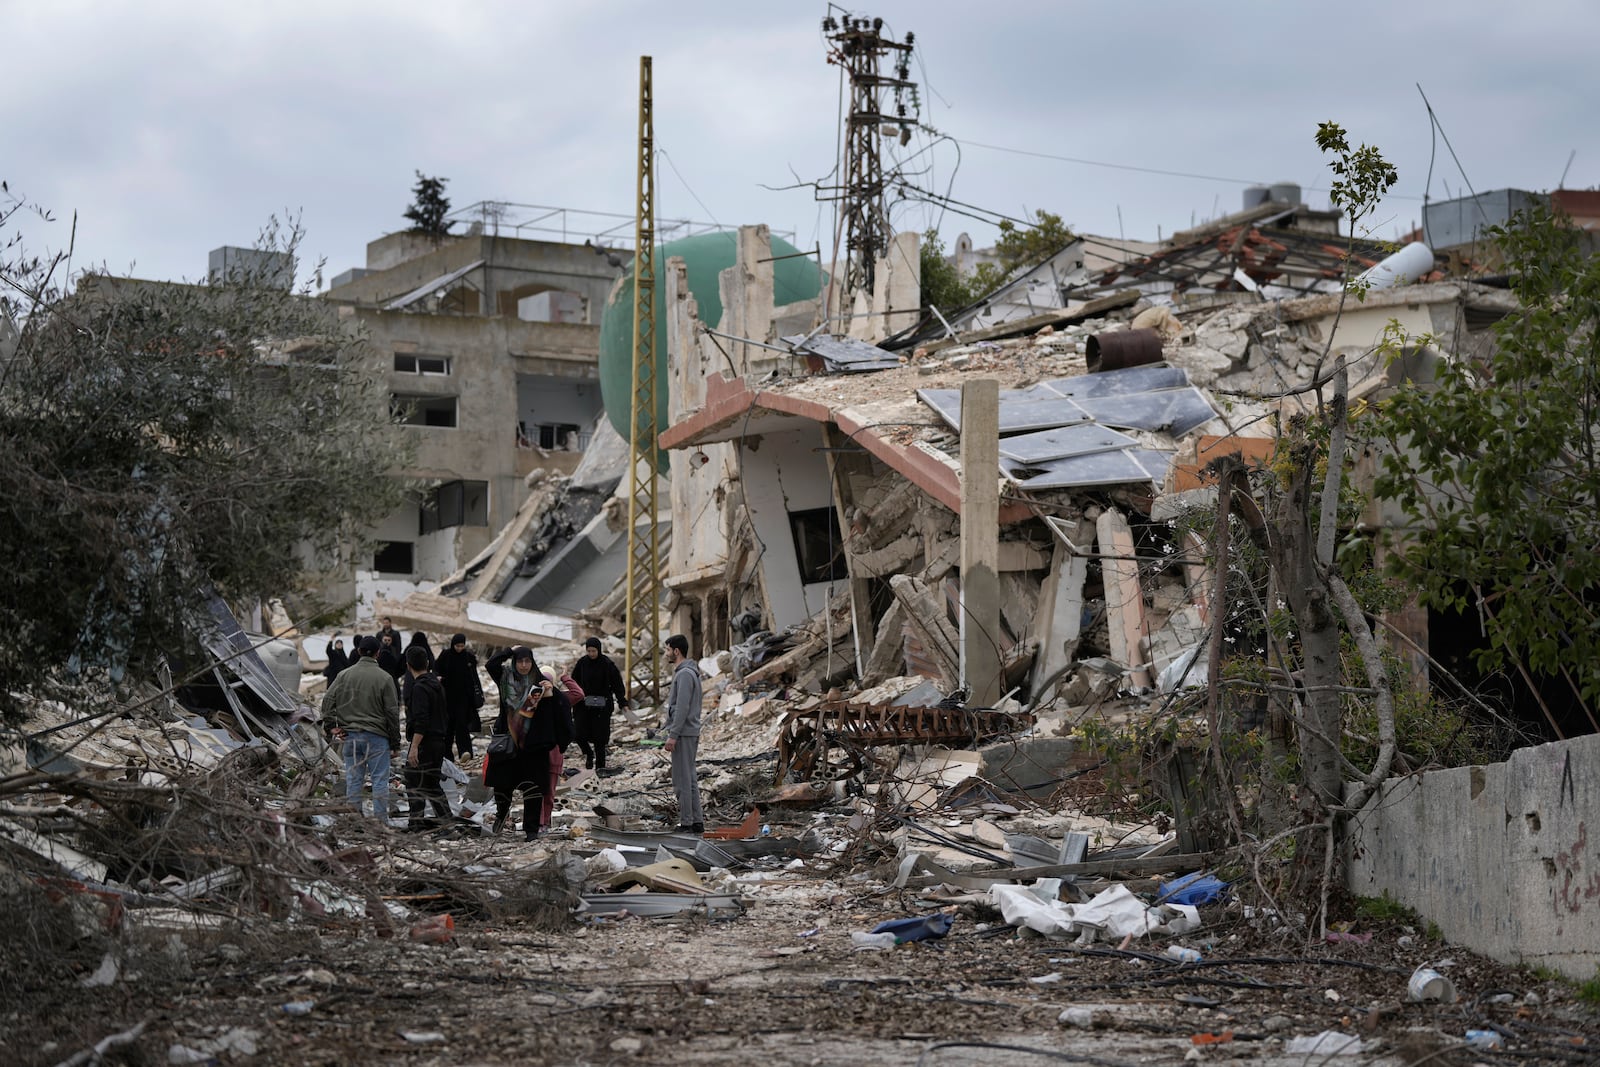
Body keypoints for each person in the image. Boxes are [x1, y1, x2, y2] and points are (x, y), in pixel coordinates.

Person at [483, 647, 572, 840]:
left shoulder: (540, 683)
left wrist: (549, 694)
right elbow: (490, 664)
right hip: (509, 742)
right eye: (519, 661)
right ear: (514, 662)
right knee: (502, 785)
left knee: (533, 788)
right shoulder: (505, 679)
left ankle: (531, 830)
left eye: (527, 661)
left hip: (533, 745)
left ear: (533, 663)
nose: (524, 665)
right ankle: (501, 815)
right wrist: (508, 651)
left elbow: (561, 707)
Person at [320, 636, 401, 822]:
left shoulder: (344, 675)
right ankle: (382, 824)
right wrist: (395, 743)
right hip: (377, 738)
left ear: (358, 651)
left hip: (351, 738)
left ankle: (353, 822)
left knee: (354, 780)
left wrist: (331, 726)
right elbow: (391, 713)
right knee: (380, 781)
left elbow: (327, 701)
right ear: (378, 653)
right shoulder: (385, 678)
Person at [402, 645, 453, 830]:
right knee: (431, 784)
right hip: (439, 742)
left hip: (425, 742)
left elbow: (421, 721)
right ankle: (446, 825)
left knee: (413, 779)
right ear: (428, 663)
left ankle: (416, 824)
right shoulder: (436, 685)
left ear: (408, 666)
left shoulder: (419, 688)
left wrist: (414, 746)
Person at [662, 634, 704, 834]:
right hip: (687, 732)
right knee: (689, 778)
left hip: (684, 733)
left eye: (668, 650)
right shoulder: (687, 672)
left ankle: (687, 823)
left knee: (681, 780)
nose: (666, 654)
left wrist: (673, 734)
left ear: (676, 651)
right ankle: (696, 821)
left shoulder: (685, 674)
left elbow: (682, 708)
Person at [570, 637, 629, 774]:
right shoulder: (582, 663)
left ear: (599, 650)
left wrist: (622, 702)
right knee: (579, 734)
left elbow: (617, 685)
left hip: (602, 707)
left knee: (600, 738)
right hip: (583, 706)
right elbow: (574, 682)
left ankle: (600, 767)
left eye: (593, 651)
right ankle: (589, 754)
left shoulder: (607, 664)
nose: (591, 654)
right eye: (589, 651)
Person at [434, 633, 484, 761]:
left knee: (462, 726)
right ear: (453, 644)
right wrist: (438, 677)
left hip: (463, 699)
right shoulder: (446, 655)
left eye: (462, 646)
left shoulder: (468, 658)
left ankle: (465, 752)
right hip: (447, 698)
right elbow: (436, 669)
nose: (459, 648)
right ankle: (447, 756)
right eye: (457, 646)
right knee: (448, 727)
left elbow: (474, 677)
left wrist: (478, 695)